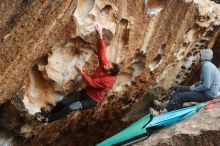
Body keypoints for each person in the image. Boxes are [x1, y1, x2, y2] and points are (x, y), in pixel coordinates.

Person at [36, 25, 120, 123]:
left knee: (71, 108)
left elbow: (91, 83)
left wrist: (81, 71)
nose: (107, 64)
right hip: (85, 92)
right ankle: (49, 114)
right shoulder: (105, 66)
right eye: (109, 64)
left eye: (109, 66)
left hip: (91, 100)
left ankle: (47, 120)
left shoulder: (107, 81)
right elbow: (101, 53)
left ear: (110, 72)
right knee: (64, 102)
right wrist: (100, 35)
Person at [150, 49, 220, 116]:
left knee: (180, 97)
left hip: (208, 95)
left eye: (197, 56)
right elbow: (203, 81)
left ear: (202, 57)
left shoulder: (207, 66)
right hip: (206, 91)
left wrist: (194, 89)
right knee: (180, 89)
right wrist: (195, 85)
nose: (195, 58)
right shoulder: (207, 65)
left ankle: (162, 113)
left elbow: (206, 85)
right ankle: (166, 104)